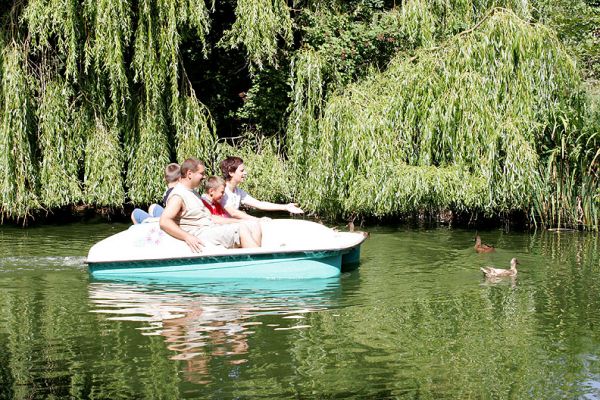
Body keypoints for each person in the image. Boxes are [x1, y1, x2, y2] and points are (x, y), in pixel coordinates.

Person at [159, 158, 261, 252]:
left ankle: (253, 259)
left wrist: (241, 220)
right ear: (189, 174)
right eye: (201, 173)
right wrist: (187, 237)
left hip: (210, 229)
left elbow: (211, 217)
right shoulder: (178, 195)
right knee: (241, 229)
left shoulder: (193, 192)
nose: (204, 177)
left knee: (253, 224)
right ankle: (259, 263)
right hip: (201, 234)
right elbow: (164, 221)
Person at [219, 156, 304, 220]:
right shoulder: (222, 191)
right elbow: (233, 213)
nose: (245, 173)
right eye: (242, 171)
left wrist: (285, 207)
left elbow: (259, 204)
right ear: (231, 173)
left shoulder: (238, 191)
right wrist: (257, 220)